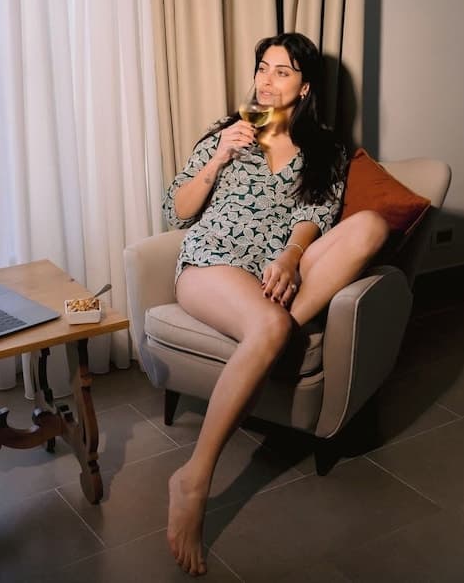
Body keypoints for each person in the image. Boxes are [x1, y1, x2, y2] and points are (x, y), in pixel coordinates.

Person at [161, 33, 389, 576]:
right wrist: (219, 156)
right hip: (213, 264)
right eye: (263, 68)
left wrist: (290, 256)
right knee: (268, 326)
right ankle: (194, 478)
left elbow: (317, 216)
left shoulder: (326, 151)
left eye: (282, 71)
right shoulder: (226, 135)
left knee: (371, 226)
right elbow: (177, 211)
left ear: (304, 87)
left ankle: (275, 330)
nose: (266, 80)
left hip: (276, 271)